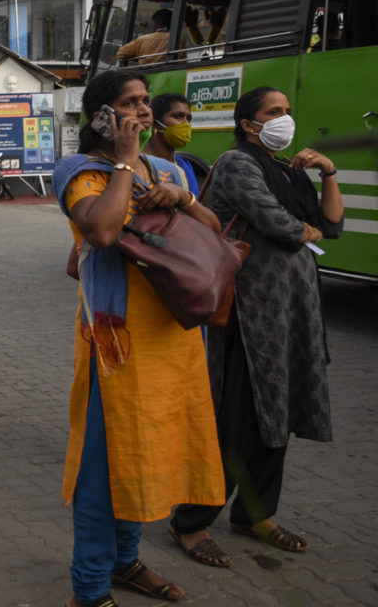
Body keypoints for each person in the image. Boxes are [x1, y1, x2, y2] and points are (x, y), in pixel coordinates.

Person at [52, 71, 224, 607]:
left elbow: (214, 232)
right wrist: (126, 161)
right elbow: (100, 232)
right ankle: (90, 586)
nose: (144, 111)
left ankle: (126, 560)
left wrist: (184, 200)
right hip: (117, 346)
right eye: (130, 103)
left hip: (174, 338)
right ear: (101, 116)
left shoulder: (171, 168)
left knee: (151, 453)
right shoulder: (80, 171)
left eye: (147, 101)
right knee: (106, 466)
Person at [170, 86, 343, 567]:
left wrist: (327, 170)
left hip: (293, 311)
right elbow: (280, 225)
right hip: (251, 313)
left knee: (279, 415)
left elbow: (330, 225)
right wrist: (299, 229)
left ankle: (255, 513)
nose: (284, 119)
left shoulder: (289, 169)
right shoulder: (236, 163)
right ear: (249, 123)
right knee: (237, 420)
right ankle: (191, 521)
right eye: (274, 112)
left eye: (288, 111)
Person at [142, 92, 202, 196]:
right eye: (178, 116)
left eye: (189, 118)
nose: (186, 124)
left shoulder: (183, 164)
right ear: (155, 124)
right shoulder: (140, 163)